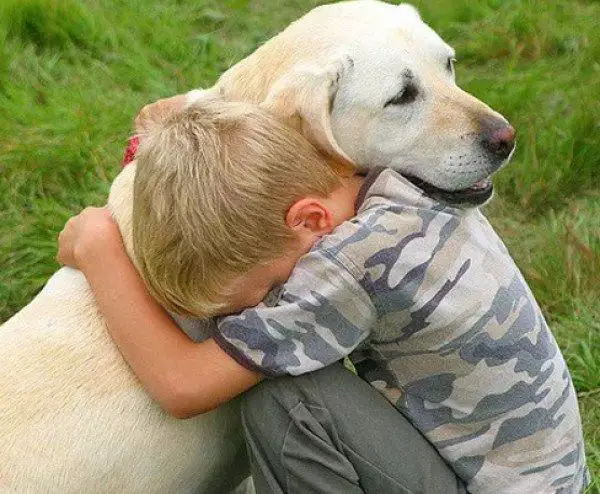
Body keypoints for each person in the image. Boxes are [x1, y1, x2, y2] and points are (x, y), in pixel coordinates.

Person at [57, 100, 588, 493]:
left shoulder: (348, 267)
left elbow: (183, 386)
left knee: (285, 399)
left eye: (268, 290)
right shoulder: (388, 181)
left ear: (310, 220)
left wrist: (101, 250)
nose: (265, 307)